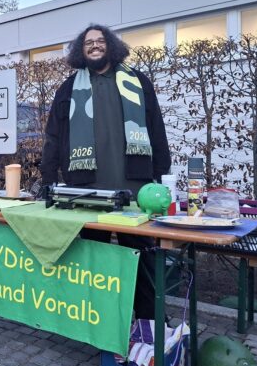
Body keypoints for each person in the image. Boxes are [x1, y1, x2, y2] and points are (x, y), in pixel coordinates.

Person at [41, 23, 171, 320]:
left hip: (135, 191)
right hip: (86, 191)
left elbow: (156, 129)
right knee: (92, 264)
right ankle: (97, 322)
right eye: (88, 43)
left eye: (100, 41)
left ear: (110, 45)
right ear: (81, 50)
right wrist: (47, 180)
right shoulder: (68, 88)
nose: (95, 46)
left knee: (141, 262)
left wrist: (161, 177)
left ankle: (150, 323)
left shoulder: (138, 81)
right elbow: (53, 137)